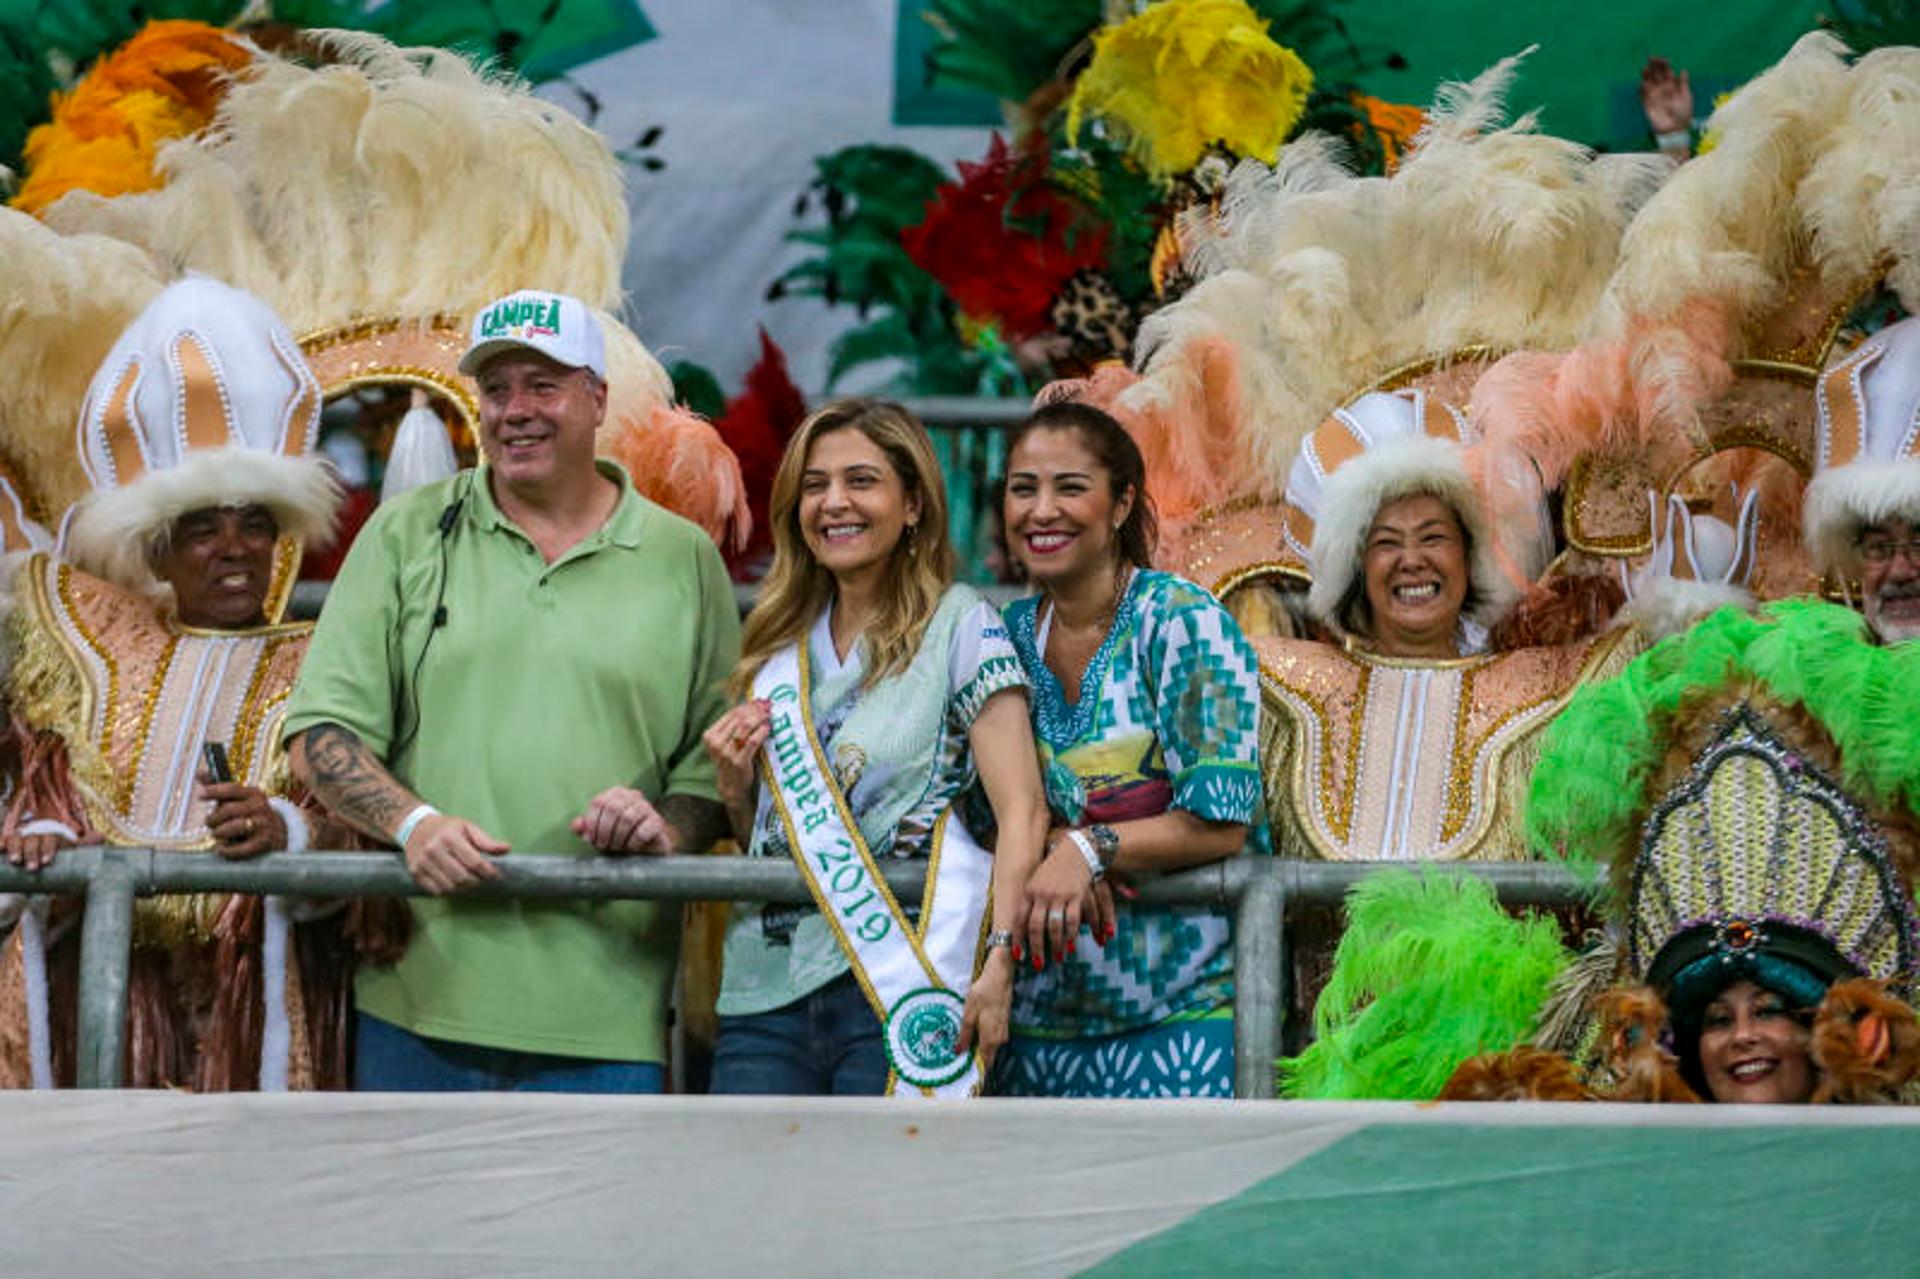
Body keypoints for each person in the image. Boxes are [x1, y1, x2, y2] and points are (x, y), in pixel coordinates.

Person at [283, 288, 739, 1093]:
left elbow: (714, 765)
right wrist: (412, 822)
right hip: (415, 1005)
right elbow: (321, 733)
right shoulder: (405, 532)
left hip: (611, 1013)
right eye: (496, 390)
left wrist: (661, 827)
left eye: (543, 385)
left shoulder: (683, 558)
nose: (515, 411)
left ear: (597, 399)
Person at [0, 277, 355, 1090]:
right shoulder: (90, 646)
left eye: (255, 523)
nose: (234, 547)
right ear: (156, 553)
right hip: (110, 998)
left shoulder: (326, 659)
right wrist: (41, 840)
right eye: (203, 528)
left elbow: (364, 838)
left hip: (254, 999)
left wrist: (288, 834)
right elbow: (46, 787)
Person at [703, 399, 1045, 1098]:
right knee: (750, 1206)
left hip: (896, 987)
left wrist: (1002, 962)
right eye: (815, 484)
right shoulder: (774, 642)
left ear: (913, 501)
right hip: (761, 992)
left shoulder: (961, 623)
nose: (834, 502)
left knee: (889, 1205)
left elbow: (1024, 812)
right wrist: (736, 790)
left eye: (861, 480)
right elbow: (773, 841)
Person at [991, 402, 1264, 1098]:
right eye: (1024, 488)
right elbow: (982, 813)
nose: (1041, 510)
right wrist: (1056, 840)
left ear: (1122, 505)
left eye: (1070, 487)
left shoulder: (1183, 621)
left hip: (1183, 1019)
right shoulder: (1004, 636)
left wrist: (1090, 850)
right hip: (1037, 1027)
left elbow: (1223, 820)